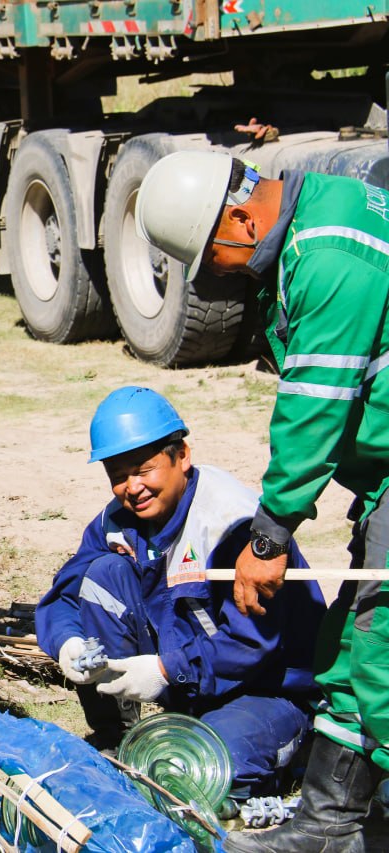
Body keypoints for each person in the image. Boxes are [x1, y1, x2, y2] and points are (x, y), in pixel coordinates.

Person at [136, 150, 389, 851]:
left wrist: (268, 538)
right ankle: (328, 826)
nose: (221, 275)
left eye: (214, 259)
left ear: (241, 217)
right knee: (351, 647)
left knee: (383, 652)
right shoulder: (331, 208)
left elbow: (315, 409)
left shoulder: (330, 252)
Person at [35, 385, 326, 802]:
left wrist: (165, 670)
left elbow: (252, 645)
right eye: (118, 475)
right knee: (102, 573)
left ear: (182, 456)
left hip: (268, 688)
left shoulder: (234, 526)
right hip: (193, 682)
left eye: (144, 469)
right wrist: (67, 642)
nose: (132, 487)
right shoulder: (118, 521)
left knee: (205, 773)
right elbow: (65, 594)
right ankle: (117, 735)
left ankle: (297, 744)